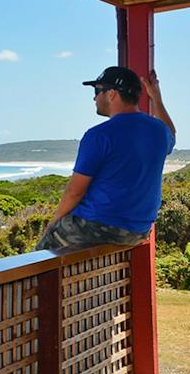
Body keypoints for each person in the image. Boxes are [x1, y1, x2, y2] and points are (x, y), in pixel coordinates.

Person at [38, 65, 176, 252]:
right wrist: (156, 99)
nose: (94, 97)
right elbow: (171, 132)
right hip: (139, 230)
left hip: (101, 225)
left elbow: (74, 192)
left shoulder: (99, 135)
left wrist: (53, 224)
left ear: (112, 94)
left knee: (42, 253)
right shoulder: (159, 132)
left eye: (97, 91)